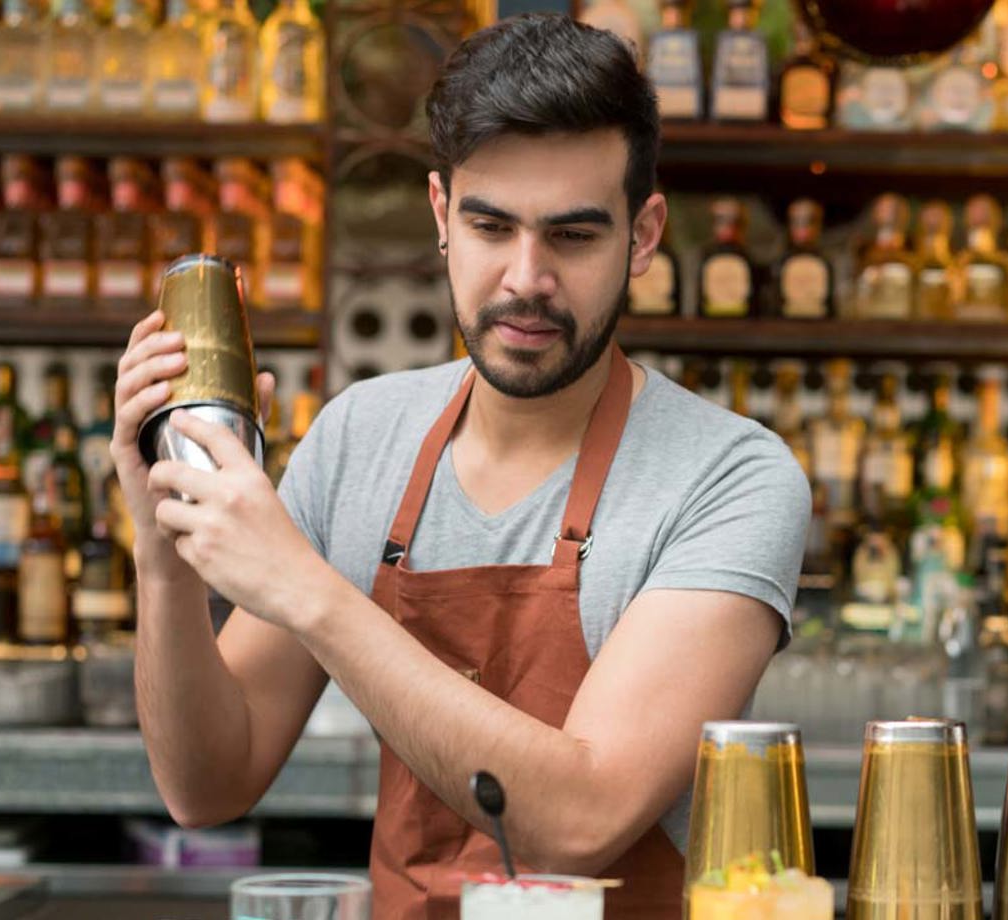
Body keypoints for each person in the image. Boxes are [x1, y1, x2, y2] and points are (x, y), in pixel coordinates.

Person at [109, 13, 810, 919]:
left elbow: (582, 818)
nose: (526, 278)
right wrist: (160, 552)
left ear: (643, 236)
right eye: (491, 225)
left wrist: (311, 591)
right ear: (442, 216)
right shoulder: (361, 436)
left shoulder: (729, 476)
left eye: (574, 236)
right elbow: (207, 785)